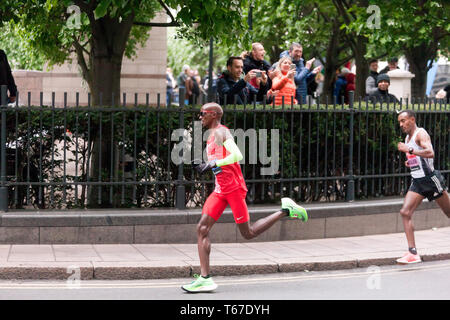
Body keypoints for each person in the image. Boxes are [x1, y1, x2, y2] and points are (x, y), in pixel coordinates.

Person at [181, 102, 308, 293]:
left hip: (233, 189)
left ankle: (286, 210)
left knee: (248, 233)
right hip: (220, 190)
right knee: (202, 228)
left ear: (214, 115)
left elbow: (237, 155)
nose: (200, 117)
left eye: (203, 114)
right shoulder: (211, 136)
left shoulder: (222, 132)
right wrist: (205, 165)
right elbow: (220, 162)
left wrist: (213, 163)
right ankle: (205, 278)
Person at [396, 110, 450, 264]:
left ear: (412, 120)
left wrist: (410, 150)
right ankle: (412, 253)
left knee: (449, 213)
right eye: (400, 122)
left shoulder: (421, 134)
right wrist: (411, 161)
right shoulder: (407, 138)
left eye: (404, 120)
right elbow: (417, 158)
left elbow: (430, 153)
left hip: (430, 180)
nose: (401, 124)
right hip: (417, 181)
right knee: (405, 212)